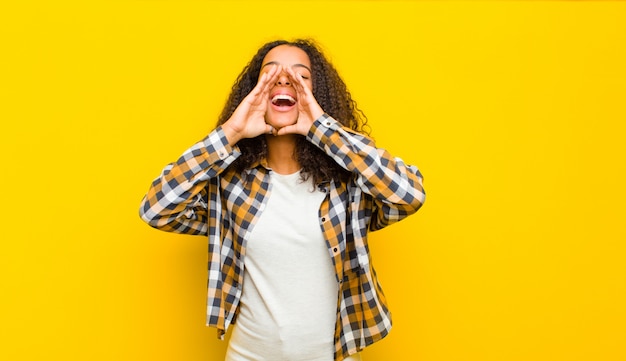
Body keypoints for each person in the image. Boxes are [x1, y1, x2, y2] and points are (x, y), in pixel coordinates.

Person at [139, 38, 426, 361]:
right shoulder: (231, 185)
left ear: (318, 96)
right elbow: (156, 209)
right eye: (270, 73)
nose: (284, 79)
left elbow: (409, 194)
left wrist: (322, 129)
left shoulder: (348, 185)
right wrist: (231, 131)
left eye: (301, 77)